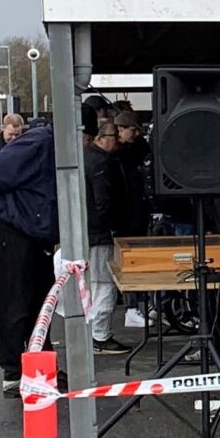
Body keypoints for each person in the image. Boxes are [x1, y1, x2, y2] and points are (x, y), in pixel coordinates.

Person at [0, 118, 57, 388]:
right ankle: (13, 371)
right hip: (11, 228)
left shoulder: (46, 144)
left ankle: (39, 365)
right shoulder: (41, 142)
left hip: (30, 230)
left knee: (39, 301)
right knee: (12, 300)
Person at [77, 122, 133, 356]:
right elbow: (104, 200)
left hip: (87, 231)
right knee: (104, 283)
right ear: (101, 138)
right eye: (113, 136)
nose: (117, 141)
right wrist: (113, 227)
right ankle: (100, 334)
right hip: (100, 233)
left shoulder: (85, 159)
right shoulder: (101, 163)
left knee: (92, 284)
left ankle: (93, 331)